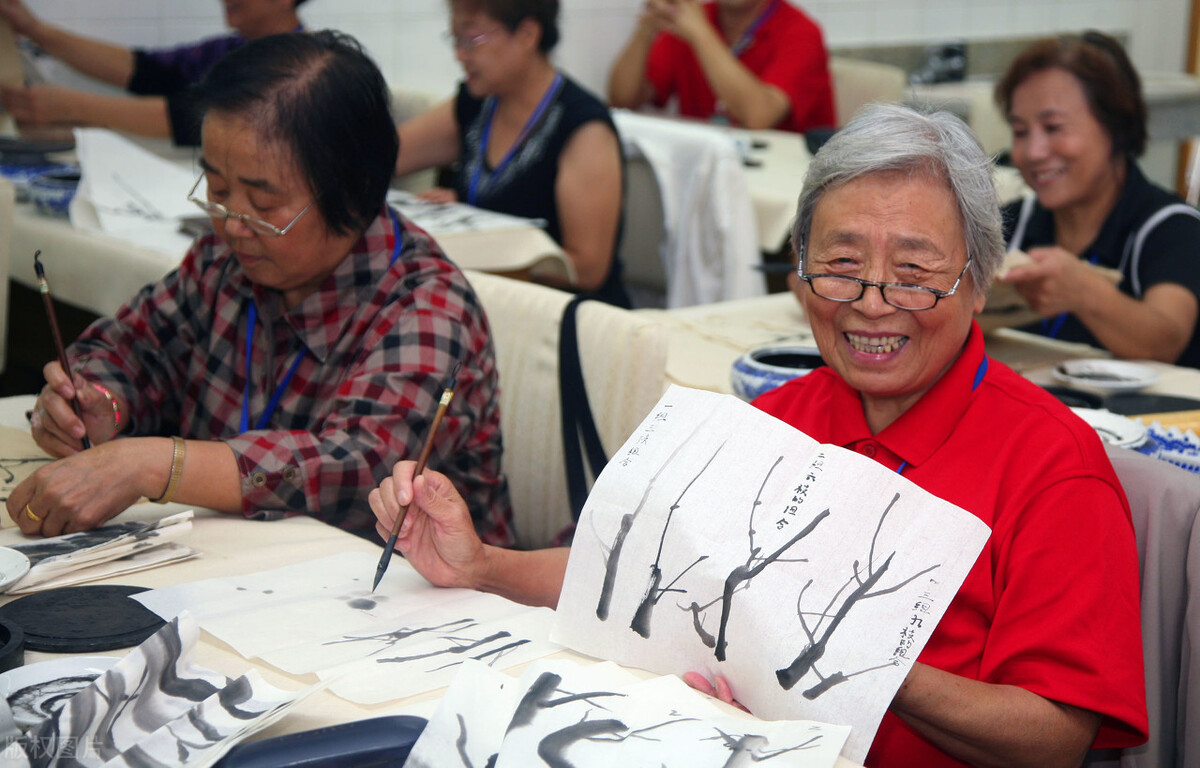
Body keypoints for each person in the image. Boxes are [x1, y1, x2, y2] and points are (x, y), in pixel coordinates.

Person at [371, 104, 1148, 767]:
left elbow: (1058, 736)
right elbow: (630, 567)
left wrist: (868, 666)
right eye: (840, 263)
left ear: (978, 285)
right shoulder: (773, 420)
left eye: (915, 274)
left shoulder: (1053, 466)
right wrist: (482, 565)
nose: (872, 303)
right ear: (798, 272)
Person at [7, 31, 513, 547]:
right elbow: (134, 345)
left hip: (402, 602)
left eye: (264, 204)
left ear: (355, 192)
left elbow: (353, 466)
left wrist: (154, 464)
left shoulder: (426, 308)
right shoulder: (224, 262)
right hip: (237, 565)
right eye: (219, 190)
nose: (232, 224)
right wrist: (97, 400)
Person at [395, 0, 630, 307]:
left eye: (472, 39)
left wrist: (481, 251)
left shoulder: (583, 127)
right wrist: (459, 214)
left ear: (528, 35)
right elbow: (385, 156)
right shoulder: (478, 103)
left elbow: (587, 270)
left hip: (567, 318)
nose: (460, 55)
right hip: (486, 304)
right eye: (456, 40)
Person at [996, 31, 1200, 368]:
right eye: (1020, 132)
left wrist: (1083, 292)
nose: (1033, 152)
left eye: (1053, 127)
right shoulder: (1011, 223)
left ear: (1115, 126)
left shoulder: (1173, 229)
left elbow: (1167, 340)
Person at [0, 0, 307, 146]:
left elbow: (194, 118)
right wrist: (35, 30)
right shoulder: (230, 49)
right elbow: (145, 70)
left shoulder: (300, 69)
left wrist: (70, 106)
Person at [607, 0, 834, 134]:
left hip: (789, 183)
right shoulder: (696, 19)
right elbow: (622, 99)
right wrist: (649, 26)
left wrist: (701, 34)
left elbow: (759, 117)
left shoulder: (802, 32)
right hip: (711, 168)